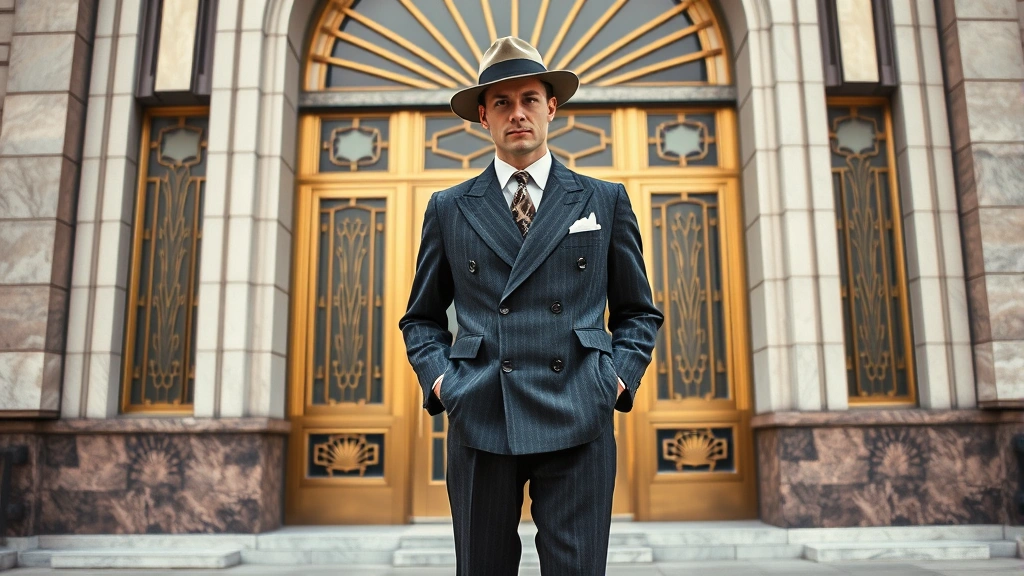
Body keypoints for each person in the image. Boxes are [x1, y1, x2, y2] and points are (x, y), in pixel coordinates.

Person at [399, 36, 663, 575]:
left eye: (528, 100)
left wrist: (614, 380)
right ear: (483, 116)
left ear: (551, 108)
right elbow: (421, 319)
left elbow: (639, 312)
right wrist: (445, 383)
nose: (517, 113)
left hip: (580, 411)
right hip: (481, 412)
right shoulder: (449, 208)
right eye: (502, 102)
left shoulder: (603, 199)